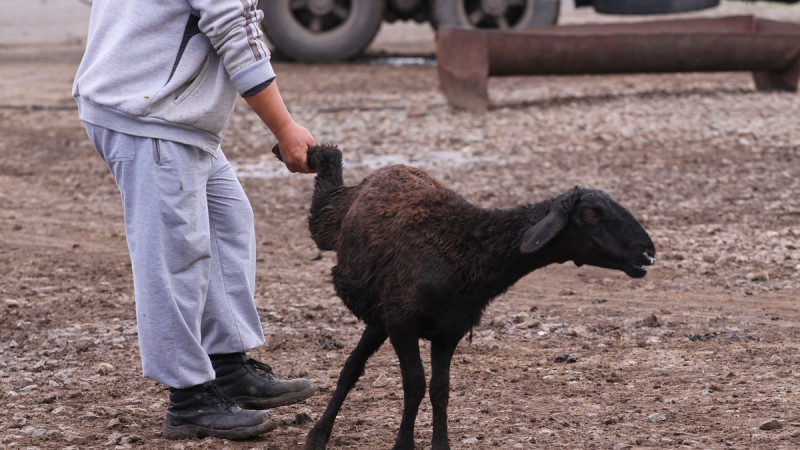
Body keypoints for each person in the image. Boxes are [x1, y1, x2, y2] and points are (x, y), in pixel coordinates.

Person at [73, 0, 316, 440]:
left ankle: (228, 367)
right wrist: (284, 127)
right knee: (175, 256)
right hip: (149, 114)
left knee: (227, 222)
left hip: (161, 105)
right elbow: (234, 28)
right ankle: (189, 401)